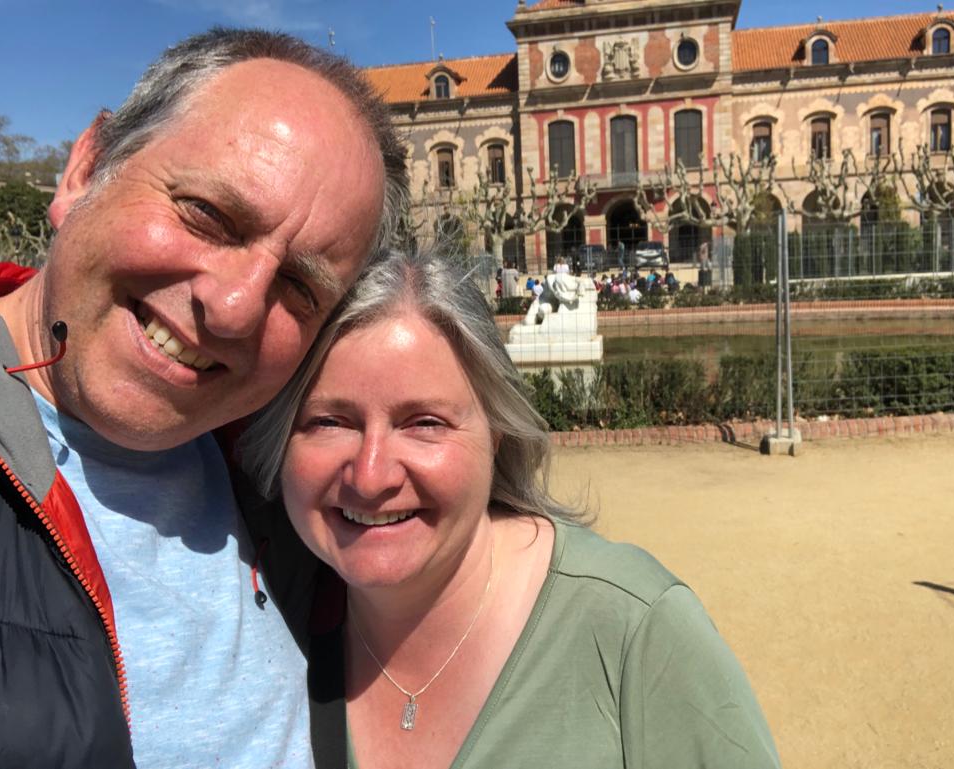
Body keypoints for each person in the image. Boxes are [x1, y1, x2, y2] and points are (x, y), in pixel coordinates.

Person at [0, 28, 408, 769]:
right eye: (206, 215)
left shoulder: (292, 473)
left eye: (299, 285)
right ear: (86, 168)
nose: (233, 308)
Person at [241, 250, 782, 769]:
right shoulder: (267, 612)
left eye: (424, 422)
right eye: (329, 422)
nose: (372, 474)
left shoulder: (633, 628)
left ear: (496, 433)